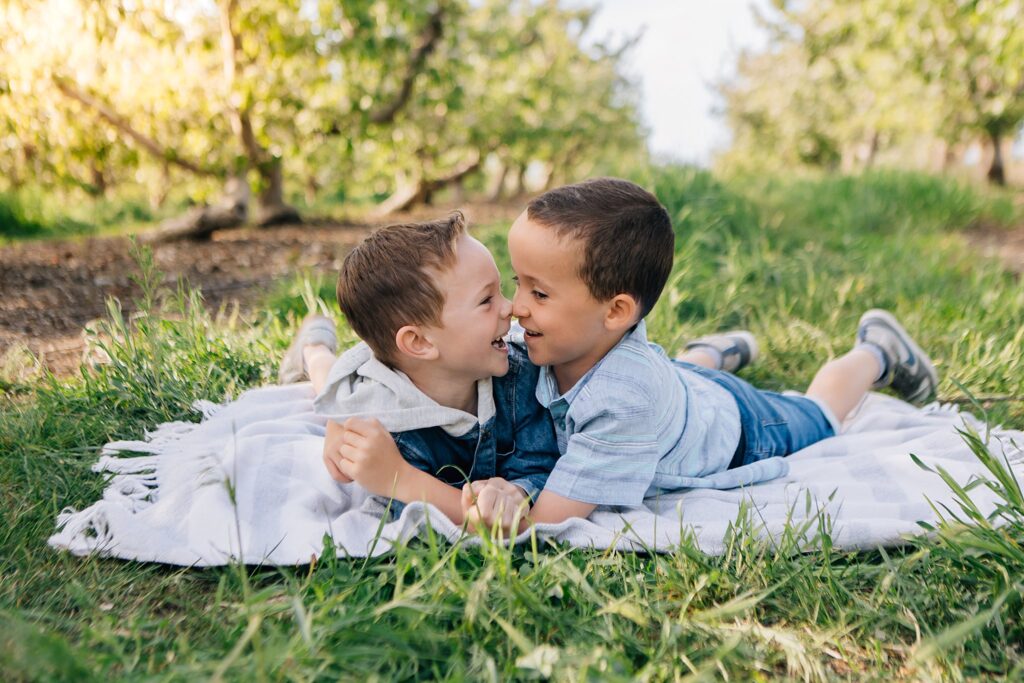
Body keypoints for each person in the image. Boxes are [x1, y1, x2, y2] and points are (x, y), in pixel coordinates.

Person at [463, 177, 939, 533]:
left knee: (819, 411)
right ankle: (712, 353)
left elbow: (544, 523)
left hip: (742, 426)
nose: (516, 306)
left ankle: (876, 350)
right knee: (673, 374)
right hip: (676, 388)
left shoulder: (623, 400)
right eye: (518, 280)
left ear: (616, 311)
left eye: (539, 294)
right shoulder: (579, 337)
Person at [278, 212, 560, 524]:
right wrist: (397, 476)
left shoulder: (518, 374)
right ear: (420, 342)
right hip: (375, 389)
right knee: (329, 382)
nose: (510, 308)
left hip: (405, 361)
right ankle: (313, 347)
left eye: (500, 291)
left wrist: (516, 493)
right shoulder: (389, 427)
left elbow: (539, 461)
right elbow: (417, 513)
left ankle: (316, 344)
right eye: (486, 300)